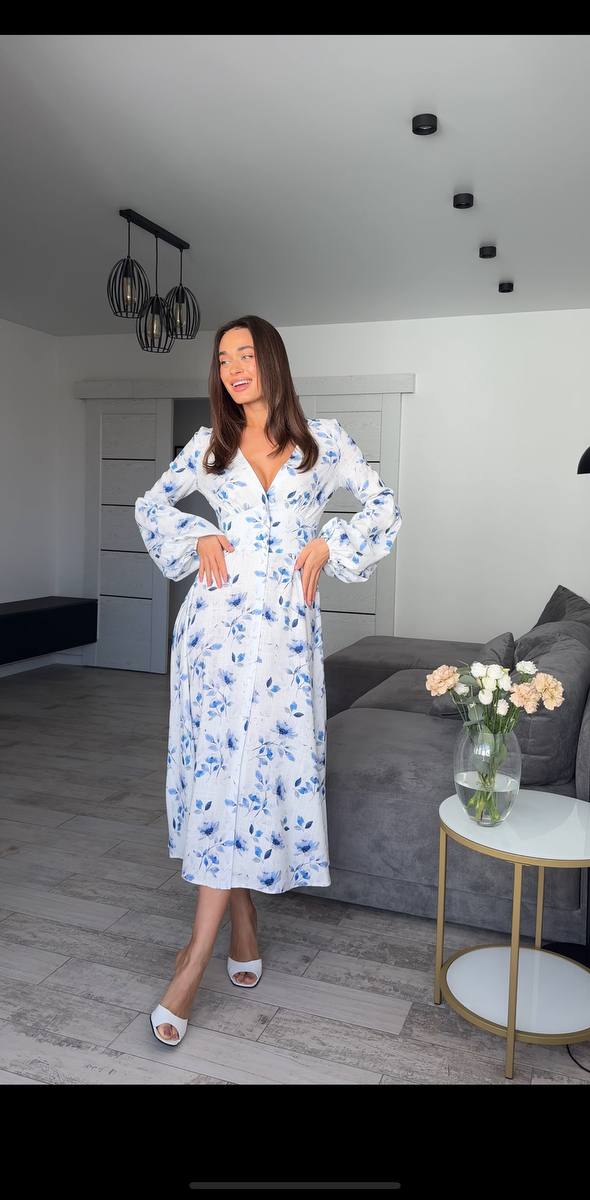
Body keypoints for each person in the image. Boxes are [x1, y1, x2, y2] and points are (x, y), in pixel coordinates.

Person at [135, 314, 402, 1044]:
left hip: (284, 642)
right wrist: (201, 535)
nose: (234, 368)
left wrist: (330, 539)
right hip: (213, 638)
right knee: (223, 780)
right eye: (223, 359)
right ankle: (204, 951)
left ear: (272, 362)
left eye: (246, 354)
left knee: (255, 778)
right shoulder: (209, 446)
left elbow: (384, 508)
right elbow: (152, 507)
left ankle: (232, 923)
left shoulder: (323, 441)